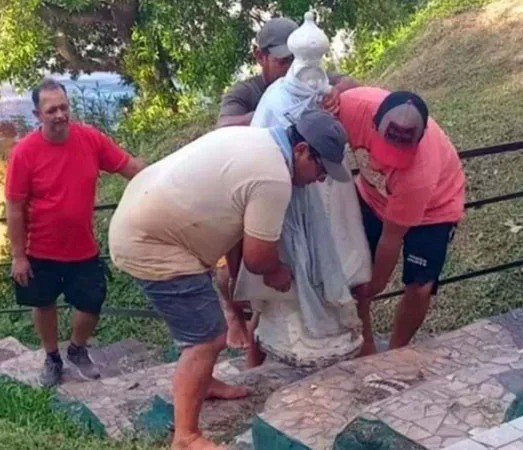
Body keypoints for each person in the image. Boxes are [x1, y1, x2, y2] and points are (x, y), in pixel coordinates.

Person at [109, 109, 350, 450]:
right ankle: (186, 437)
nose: (320, 179)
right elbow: (258, 257)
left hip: (143, 217)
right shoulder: (274, 178)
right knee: (207, 340)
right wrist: (278, 272)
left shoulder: (258, 138)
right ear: (301, 151)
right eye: (321, 169)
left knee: (202, 330)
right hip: (152, 243)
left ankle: (202, 383)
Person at [215, 15, 361, 359]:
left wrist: (332, 95)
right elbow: (224, 126)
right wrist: (284, 114)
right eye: (282, 60)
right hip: (258, 185)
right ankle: (238, 322)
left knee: (318, 258)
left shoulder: (312, 79)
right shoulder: (252, 93)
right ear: (260, 56)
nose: (289, 67)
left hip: (305, 182)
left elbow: (350, 83)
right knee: (252, 267)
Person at [4, 78, 146, 387]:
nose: (59, 115)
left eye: (63, 107)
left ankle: (78, 349)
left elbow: (130, 168)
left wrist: (169, 173)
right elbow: (14, 207)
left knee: (92, 302)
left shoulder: (90, 139)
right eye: (51, 109)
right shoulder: (24, 153)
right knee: (44, 303)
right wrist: (18, 256)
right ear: (37, 114)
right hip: (40, 248)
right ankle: (52, 358)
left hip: (83, 247)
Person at [337, 87, 466, 356]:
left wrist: (376, 286)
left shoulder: (419, 174)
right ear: (373, 122)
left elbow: (391, 236)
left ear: (419, 138)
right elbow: (330, 88)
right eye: (386, 146)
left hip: (435, 208)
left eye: (401, 151)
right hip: (371, 195)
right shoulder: (351, 107)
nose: (389, 161)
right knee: (356, 271)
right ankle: (366, 348)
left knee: (420, 287)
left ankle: (397, 351)